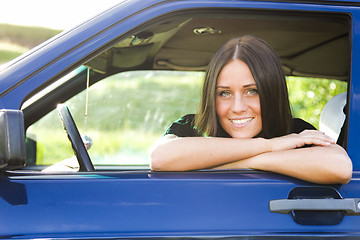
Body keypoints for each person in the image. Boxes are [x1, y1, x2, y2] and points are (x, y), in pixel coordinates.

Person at [149, 35, 352, 184]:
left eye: (252, 91)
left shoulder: (295, 131)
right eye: (224, 93)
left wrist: (236, 162)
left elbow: (339, 166)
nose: (237, 108)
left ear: (271, 92)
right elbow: (160, 158)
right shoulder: (192, 127)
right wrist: (271, 145)